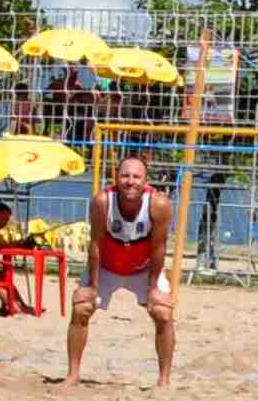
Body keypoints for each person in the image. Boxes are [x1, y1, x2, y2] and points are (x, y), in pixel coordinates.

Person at [58, 152, 177, 386]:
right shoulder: (103, 201)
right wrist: (92, 286)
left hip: (143, 268)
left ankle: (164, 381)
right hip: (108, 266)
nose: (130, 181)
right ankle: (72, 375)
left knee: (163, 313)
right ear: (116, 178)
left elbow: (159, 248)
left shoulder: (159, 204)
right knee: (81, 307)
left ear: (145, 181)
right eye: (125, 175)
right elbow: (95, 244)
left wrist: (154, 287)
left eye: (136, 176)